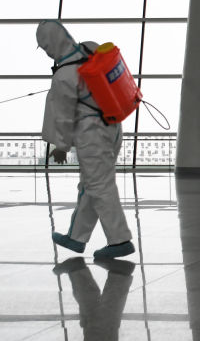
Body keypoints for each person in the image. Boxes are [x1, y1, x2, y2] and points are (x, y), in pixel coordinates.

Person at [38, 20, 134, 260]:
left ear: (51, 44)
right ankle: (76, 237)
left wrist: (60, 147)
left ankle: (120, 240)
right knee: (91, 185)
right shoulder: (90, 49)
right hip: (112, 126)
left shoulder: (64, 76)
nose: (47, 52)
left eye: (46, 46)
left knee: (99, 186)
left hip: (91, 133)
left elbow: (63, 116)